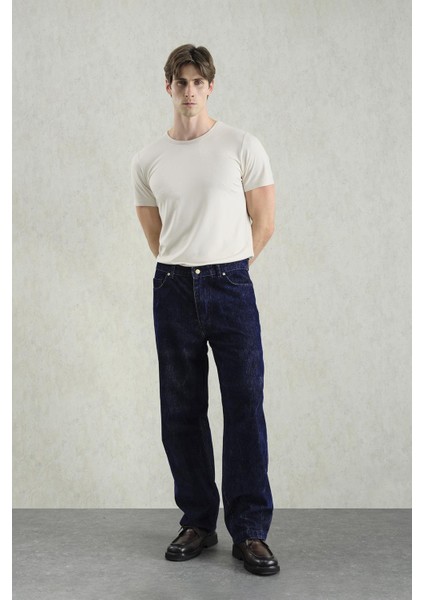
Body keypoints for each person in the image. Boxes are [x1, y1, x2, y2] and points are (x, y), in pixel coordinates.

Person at [130, 44, 279, 576]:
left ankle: (250, 530)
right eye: (181, 82)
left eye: (198, 82)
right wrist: (186, 267)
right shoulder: (148, 158)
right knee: (181, 408)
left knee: (244, 404)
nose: (189, 91)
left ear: (210, 87)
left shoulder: (241, 145)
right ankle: (197, 520)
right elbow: (155, 233)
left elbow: (264, 221)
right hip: (173, 287)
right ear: (167, 86)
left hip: (230, 285)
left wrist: (229, 269)